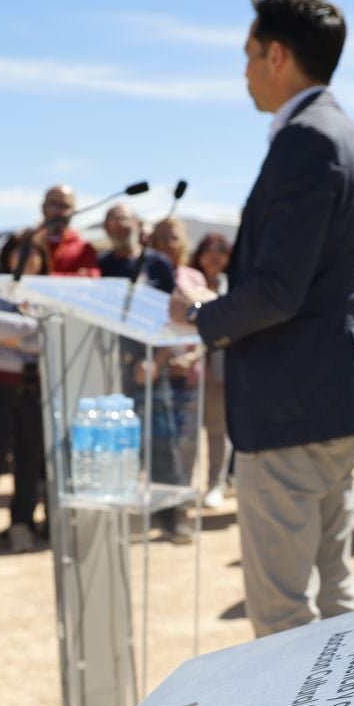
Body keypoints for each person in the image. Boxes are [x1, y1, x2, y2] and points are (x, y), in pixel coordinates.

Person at [169, 0, 354, 637]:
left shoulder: (307, 140)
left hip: (294, 404)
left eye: (249, 54)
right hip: (333, 400)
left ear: (276, 56)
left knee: (282, 617)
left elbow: (279, 289)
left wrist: (201, 313)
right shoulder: (349, 137)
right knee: (333, 592)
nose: (244, 70)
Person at [0, 231, 47, 556]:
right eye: (20, 252)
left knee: (29, 458)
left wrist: (15, 337)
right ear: (7, 256)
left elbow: (53, 337)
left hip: (34, 386)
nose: (27, 259)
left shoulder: (48, 292)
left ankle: (21, 523)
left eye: (34, 253)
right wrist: (35, 329)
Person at [147, 215, 207, 542]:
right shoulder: (149, 275)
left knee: (186, 447)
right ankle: (162, 512)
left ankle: (181, 512)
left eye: (173, 237)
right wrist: (160, 360)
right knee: (160, 447)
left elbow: (210, 324)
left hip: (188, 375)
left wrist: (191, 358)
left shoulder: (193, 277)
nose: (167, 244)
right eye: (161, 237)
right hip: (156, 376)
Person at [191, 232, 232, 508]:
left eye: (221, 250)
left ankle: (216, 484)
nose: (214, 256)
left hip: (219, 370)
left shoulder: (234, 285)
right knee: (188, 434)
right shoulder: (188, 282)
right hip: (189, 372)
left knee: (218, 430)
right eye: (209, 249)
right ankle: (186, 487)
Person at [98, 203, 174, 291]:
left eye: (124, 219)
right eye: (114, 220)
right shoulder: (100, 264)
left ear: (137, 224)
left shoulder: (158, 262)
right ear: (106, 228)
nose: (120, 224)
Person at [36, 185, 99, 277]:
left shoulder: (83, 249)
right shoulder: (27, 243)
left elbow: (90, 277)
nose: (58, 211)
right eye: (54, 204)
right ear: (43, 207)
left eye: (65, 206)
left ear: (73, 211)